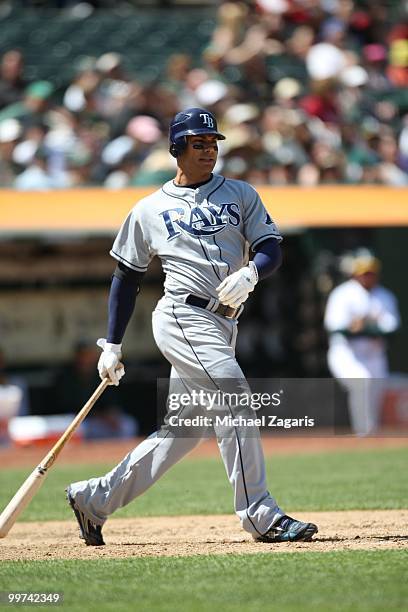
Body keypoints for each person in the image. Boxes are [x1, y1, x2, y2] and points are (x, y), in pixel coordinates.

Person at [66, 107, 318, 546]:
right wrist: (113, 343)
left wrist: (253, 272)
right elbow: (126, 276)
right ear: (177, 148)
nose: (208, 150)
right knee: (236, 399)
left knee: (183, 432)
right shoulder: (148, 208)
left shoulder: (240, 193)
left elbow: (270, 247)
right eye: (198, 143)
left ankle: (95, 499)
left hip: (224, 323)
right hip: (184, 316)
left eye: (212, 143)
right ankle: (260, 514)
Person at [324, 250, 400, 435]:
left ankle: (370, 435)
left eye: (371, 272)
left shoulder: (384, 296)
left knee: (376, 392)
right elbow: (335, 327)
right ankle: (363, 433)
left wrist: (364, 327)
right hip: (347, 354)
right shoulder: (343, 294)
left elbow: (392, 328)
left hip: (375, 355)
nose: (368, 276)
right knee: (362, 380)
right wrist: (366, 328)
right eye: (364, 273)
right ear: (356, 274)